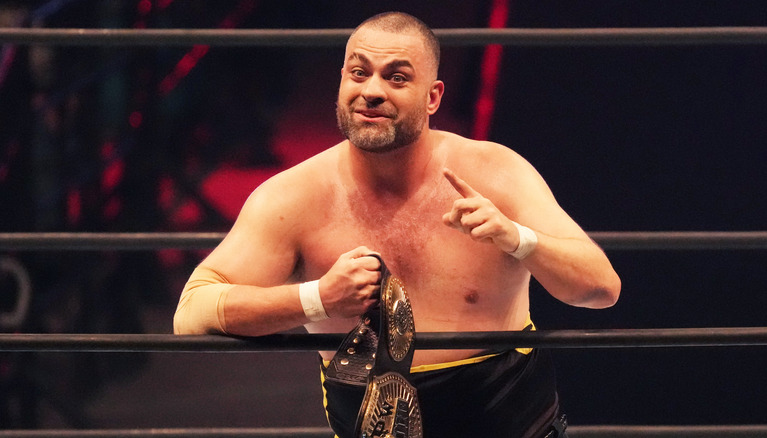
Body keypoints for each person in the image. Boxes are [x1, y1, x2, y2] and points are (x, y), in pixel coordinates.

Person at [174, 11, 620, 438]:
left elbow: (601, 289)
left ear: (433, 97)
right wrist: (318, 298)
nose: (371, 90)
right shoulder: (292, 199)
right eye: (358, 72)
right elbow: (192, 315)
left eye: (397, 77)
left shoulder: (496, 173)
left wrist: (519, 239)